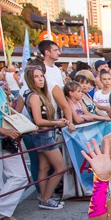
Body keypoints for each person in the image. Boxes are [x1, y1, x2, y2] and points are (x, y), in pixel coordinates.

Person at [22, 66, 73, 210]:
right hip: (44, 136)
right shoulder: (34, 96)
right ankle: (46, 198)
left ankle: (44, 197)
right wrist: (57, 123)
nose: (40, 79)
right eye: (36, 77)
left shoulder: (35, 95)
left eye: (41, 76)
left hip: (43, 135)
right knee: (60, 168)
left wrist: (56, 122)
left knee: (44, 167)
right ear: (30, 80)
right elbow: (38, 121)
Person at [0, 73, 27, 220]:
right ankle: (3, 213)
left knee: (21, 176)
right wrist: (3, 131)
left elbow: (9, 111)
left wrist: (24, 126)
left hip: (7, 137)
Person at [36, 40, 72, 122]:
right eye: (55, 50)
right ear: (47, 52)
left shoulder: (57, 70)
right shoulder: (39, 70)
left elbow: (61, 91)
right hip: (42, 114)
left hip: (55, 113)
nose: (59, 53)